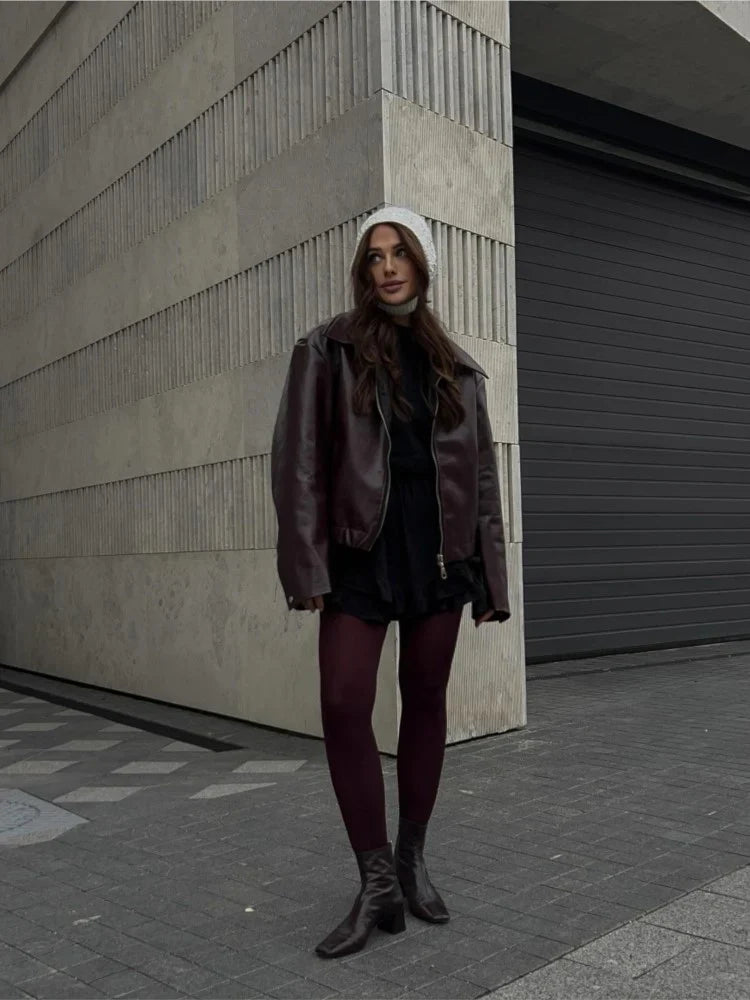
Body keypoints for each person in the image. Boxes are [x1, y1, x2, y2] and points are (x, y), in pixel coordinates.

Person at [271, 206, 510, 960]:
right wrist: (306, 565)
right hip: (360, 551)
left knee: (426, 701)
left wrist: (491, 577)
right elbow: (298, 464)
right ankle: (375, 882)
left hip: (439, 553)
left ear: (422, 263)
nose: (387, 267)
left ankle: (410, 864)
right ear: (363, 271)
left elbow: (481, 476)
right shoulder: (327, 349)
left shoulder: (456, 367)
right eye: (374, 256)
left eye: (399, 253)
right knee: (344, 704)